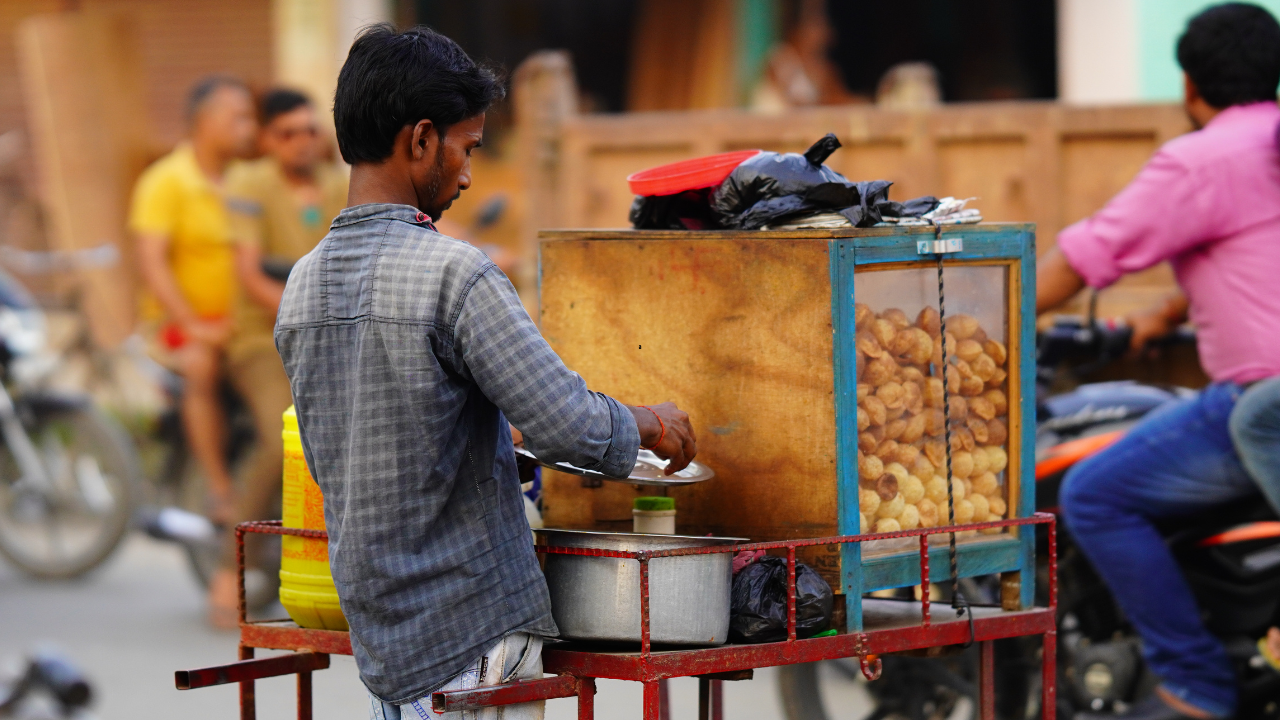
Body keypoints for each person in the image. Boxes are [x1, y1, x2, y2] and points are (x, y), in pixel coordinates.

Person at [274, 25, 698, 719]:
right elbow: (568, 424)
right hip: (474, 635)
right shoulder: (454, 274)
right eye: (466, 148)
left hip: (386, 644)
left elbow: (334, 465)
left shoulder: (302, 287)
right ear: (419, 140)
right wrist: (648, 423)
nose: (469, 174)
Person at [1035, 5, 1280, 719]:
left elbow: (1080, 259)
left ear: (1189, 84)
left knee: (1094, 495)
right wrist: (1165, 316)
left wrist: (990, 328)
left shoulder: (1201, 159)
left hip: (1259, 400)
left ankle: (1195, 683)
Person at [202, 89, 350, 627]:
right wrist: (307, 315)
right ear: (267, 140)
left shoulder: (339, 185)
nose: (302, 142)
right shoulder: (248, 185)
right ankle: (228, 570)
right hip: (260, 341)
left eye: (310, 130)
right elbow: (248, 275)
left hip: (328, 339)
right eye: (288, 133)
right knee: (281, 435)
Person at [131, 76, 257, 528]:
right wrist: (193, 323)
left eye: (250, 117)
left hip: (240, 321)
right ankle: (220, 490)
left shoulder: (247, 179)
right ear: (205, 123)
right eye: (238, 117)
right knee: (201, 363)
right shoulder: (165, 181)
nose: (249, 127)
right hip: (178, 324)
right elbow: (152, 263)